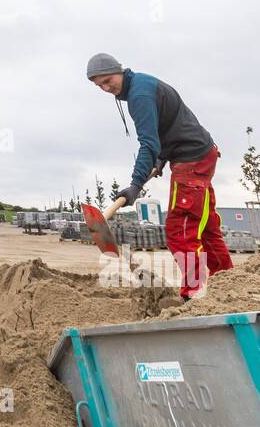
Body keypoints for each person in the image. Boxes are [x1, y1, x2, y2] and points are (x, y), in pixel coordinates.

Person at [86, 53, 232, 299]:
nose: (106, 88)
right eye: (100, 86)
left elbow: (149, 143)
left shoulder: (139, 95)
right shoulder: (143, 83)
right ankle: (230, 282)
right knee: (204, 226)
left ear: (118, 70)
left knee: (180, 229)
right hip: (201, 153)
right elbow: (170, 125)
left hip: (191, 159)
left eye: (108, 80)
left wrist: (135, 184)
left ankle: (193, 293)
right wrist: (160, 159)